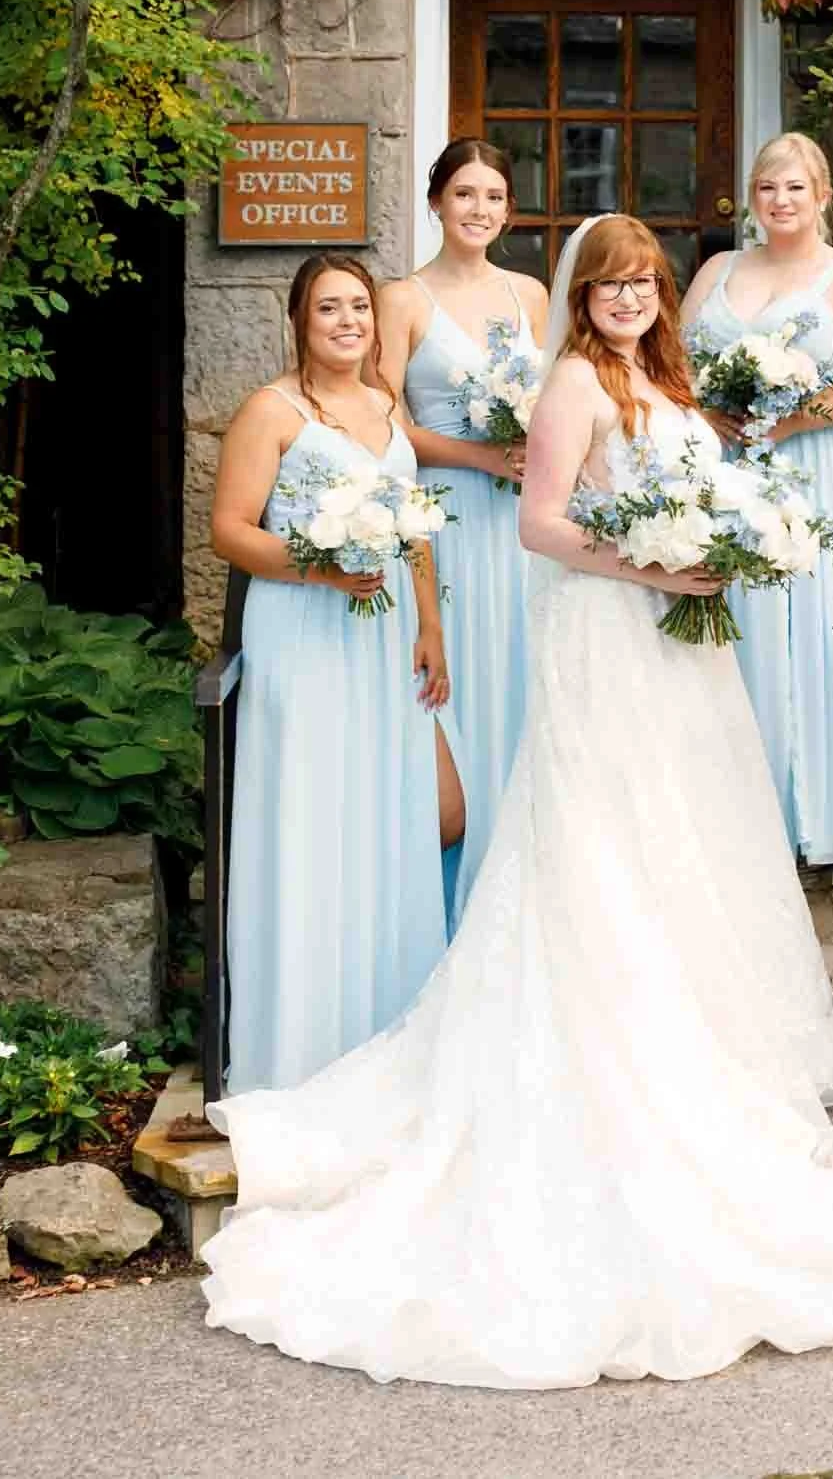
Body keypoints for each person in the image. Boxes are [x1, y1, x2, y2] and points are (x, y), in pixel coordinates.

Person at [201, 216, 833, 1388]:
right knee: (602, 846)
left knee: (691, 845)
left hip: (682, 652)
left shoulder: (665, 377)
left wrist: (736, 541)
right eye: (610, 284)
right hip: (606, 639)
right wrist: (656, 564)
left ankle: (705, 1055)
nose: (625, 298)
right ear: (584, 298)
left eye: (641, 282)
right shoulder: (570, 379)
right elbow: (539, 521)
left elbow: (700, 491)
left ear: (661, 295)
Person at [209, 255, 467, 1095]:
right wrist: (317, 569)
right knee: (314, 814)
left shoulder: (387, 407)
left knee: (410, 811)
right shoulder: (272, 411)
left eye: (359, 306)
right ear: (300, 320)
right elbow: (230, 532)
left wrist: (430, 625)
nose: (349, 321)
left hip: (386, 637)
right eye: (330, 309)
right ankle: (305, 1041)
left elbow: (414, 526)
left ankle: (386, 1027)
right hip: (303, 631)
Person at [684, 133, 833, 863]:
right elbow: (675, 365)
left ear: (823, 196)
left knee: (820, 621)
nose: (780, 201)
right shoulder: (718, 269)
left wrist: (785, 419)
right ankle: (748, 817)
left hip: (821, 466)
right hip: (730, 468)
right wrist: (711, 418)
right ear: (753, 197)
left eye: (795, 188)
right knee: (740, 619)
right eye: (768, 188)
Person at [377, 140, 545, 918]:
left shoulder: (530, 295)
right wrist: (479, 454)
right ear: (437, 201)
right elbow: (383, 424)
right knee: (455, 692)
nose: (480, 209)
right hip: (442, 517)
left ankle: (520, 907)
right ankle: (445, 908)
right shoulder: (403, 299)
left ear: (509, 210)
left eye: (495, 196)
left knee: (523, 688)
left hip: (520, 527)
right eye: (465, 194)